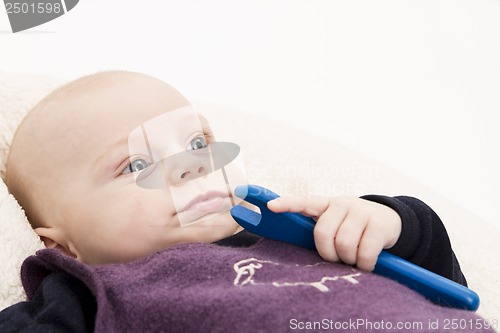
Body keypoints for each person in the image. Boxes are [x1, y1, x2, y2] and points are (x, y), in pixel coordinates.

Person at [0, 71, 492, 332]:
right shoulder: (88, 295)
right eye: (135, 165)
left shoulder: (304, 229)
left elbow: (444, 282)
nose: (191, 167)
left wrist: (390, 223)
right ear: (65, 249)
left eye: (198, 145)